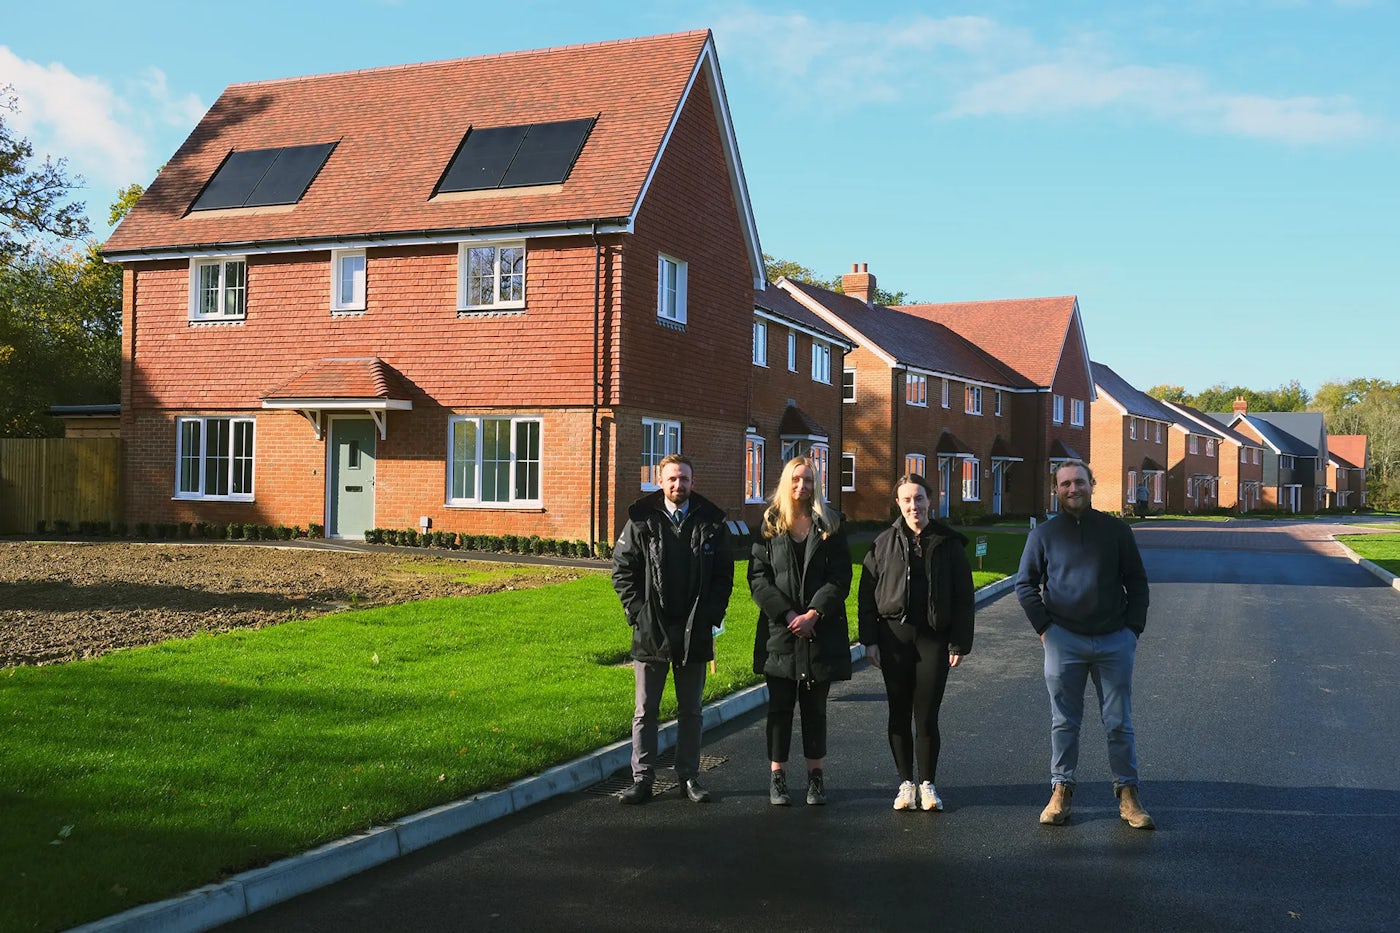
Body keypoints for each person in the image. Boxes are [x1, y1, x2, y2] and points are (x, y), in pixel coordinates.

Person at [1015, 459, 1154, 830]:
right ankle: (1061, 791)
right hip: (1064, 642)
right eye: (1065, 485)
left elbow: (1137, 582)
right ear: (1055, 490)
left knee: (1119, 722)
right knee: (1064, 722)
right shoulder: (1043, 535)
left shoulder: (1116, 531)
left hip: (1114, 642)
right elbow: (1025, 585)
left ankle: (1128, 795)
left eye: (1079, 482)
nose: (1073, 489)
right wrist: (1046, 629)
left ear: (1092, 485)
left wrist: (1132, 631)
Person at [612, 453, 734, 804]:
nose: (678, 485)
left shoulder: (711, 522)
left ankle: (689, 777)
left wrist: (712, 615)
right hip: (652, 628)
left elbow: (725, 576)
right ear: (660, 482)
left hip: (694, 629)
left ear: (692, 482)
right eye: (672, 479)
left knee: (691, 710)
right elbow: (622, 571)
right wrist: (637, 612)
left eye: (684, 479)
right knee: (645, 710)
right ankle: (643, 779)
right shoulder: (641, 521)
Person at [858, 473, 974, 812]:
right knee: (898, 712)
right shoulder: (882, 543)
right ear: (898, 504)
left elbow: (964, 597)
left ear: (930, 501)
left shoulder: (948, 543)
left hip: (934, 640)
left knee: (926, 716)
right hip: (893, 638)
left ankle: (927, 784)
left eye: (919, 499)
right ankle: (905, 783)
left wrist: (959, 643)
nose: (914, 506)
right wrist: (869, 641)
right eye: (907, 500)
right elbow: (866, 596)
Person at [748, 456, 853, 807]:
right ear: (785, 482)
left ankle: (815, 778)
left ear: (816, 484)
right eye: (795, 479)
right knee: (779, 710)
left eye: (808, 480)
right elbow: (758, 579)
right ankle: (778, 778)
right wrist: (789, 613)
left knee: (815, 710)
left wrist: (813, 614)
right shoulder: (769, 526)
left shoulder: (830, 525)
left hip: (819, 633)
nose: (801, 486)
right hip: (780, 633)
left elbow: (841, 578)